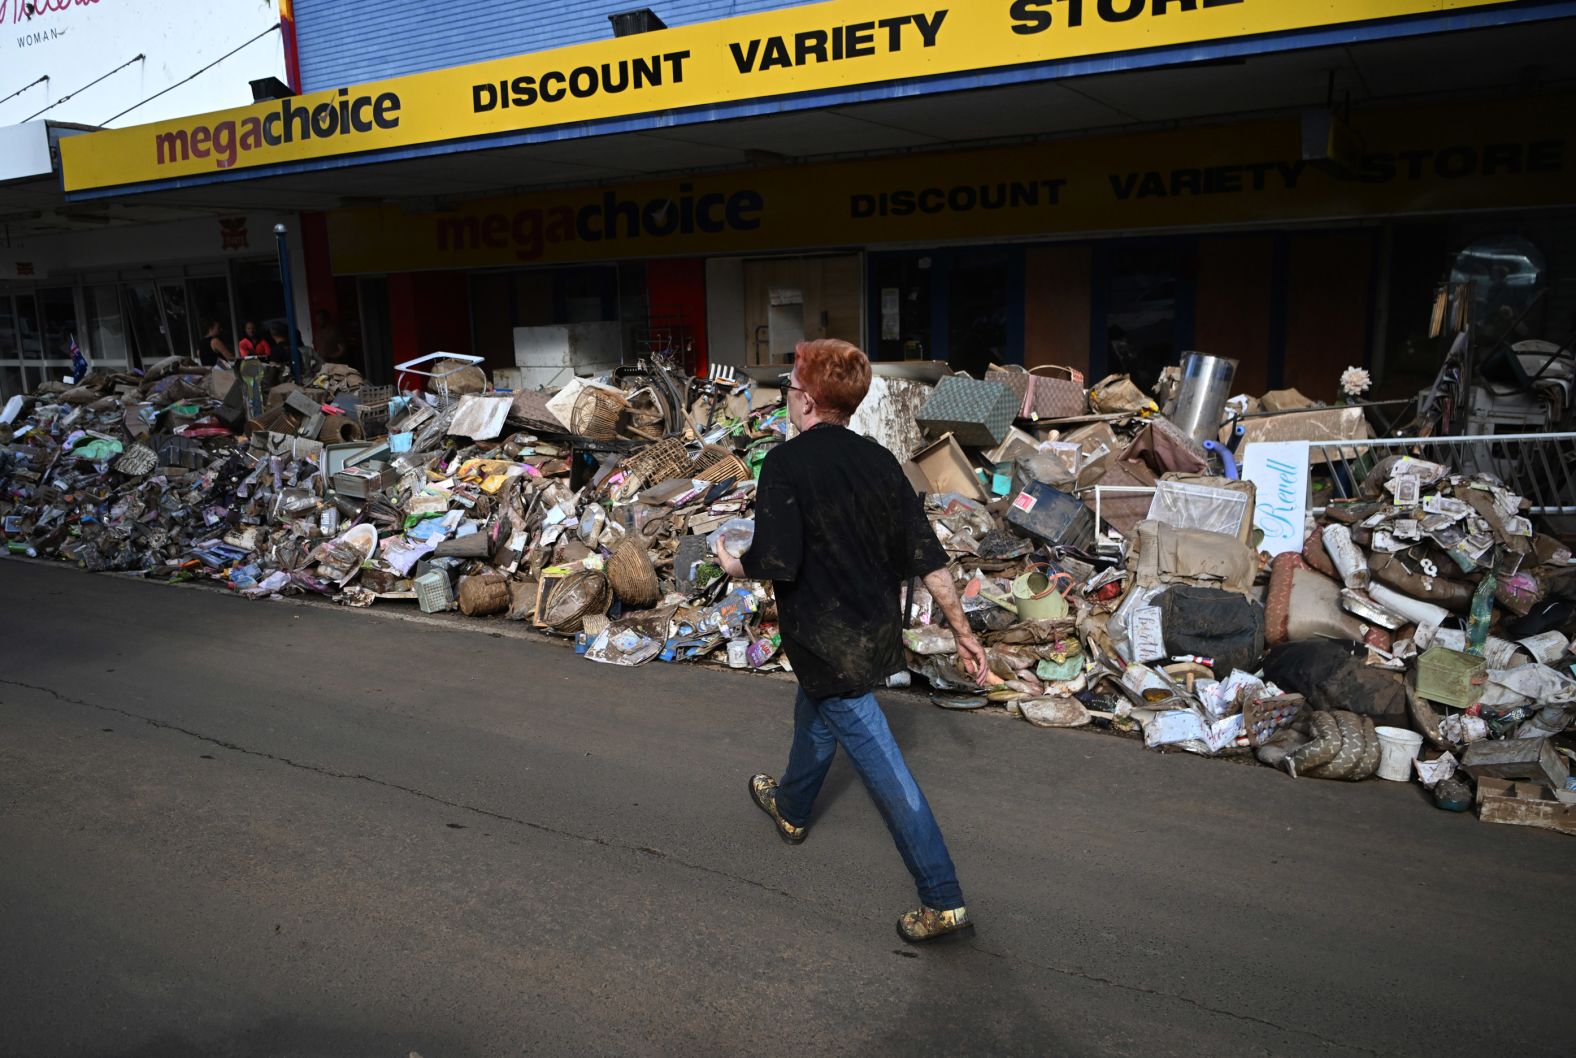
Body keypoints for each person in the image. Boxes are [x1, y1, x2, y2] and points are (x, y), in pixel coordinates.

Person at [711, 338, 988, 945]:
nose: (787, 398)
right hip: (872, 633)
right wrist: (964, 634)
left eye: (789, 389)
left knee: (885, 768)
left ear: (807, 398)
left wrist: (730, 559)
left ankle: (942, 899)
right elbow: (928, 559)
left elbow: (775, 560)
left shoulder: (786, 464)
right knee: (814, 711)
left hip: (824, 639)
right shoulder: (882, 462)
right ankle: (792, 808)